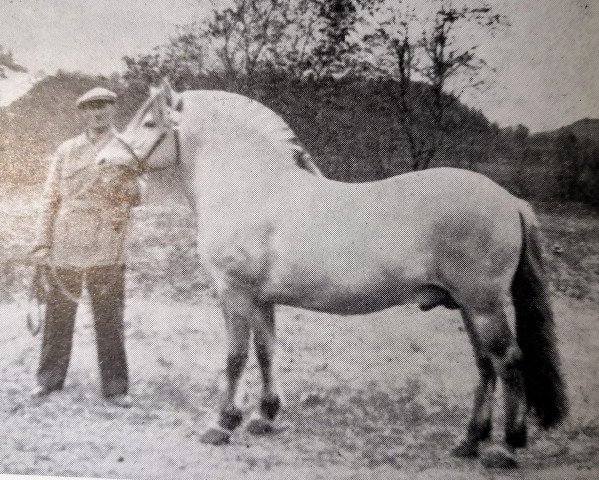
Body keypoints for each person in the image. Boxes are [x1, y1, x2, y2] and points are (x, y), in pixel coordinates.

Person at [30, 87, 141, 408]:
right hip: (66, 242)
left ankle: (116, 388)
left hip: (108, 241)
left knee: (109, 319)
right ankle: (49, 380)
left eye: (104, 106)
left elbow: (141, 192)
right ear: (82, 113)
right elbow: (50, 198)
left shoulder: (127, 147)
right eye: (91, 108)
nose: (98, 113)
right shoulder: (66, 150)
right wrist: (41, 242)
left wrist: (128, 186)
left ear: (113, 110)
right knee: (58, 316)